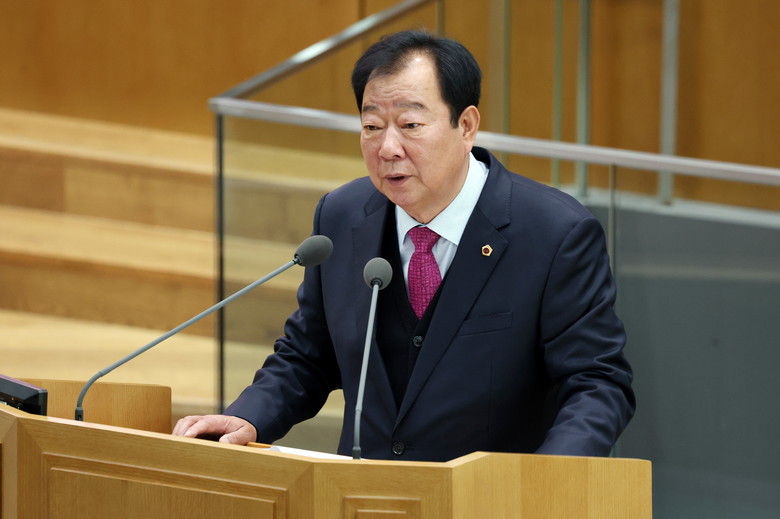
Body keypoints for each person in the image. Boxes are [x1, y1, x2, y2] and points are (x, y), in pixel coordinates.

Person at [173, 30, 635, 461]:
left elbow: (597, 382)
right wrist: (249, 416)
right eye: (372, 126)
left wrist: (548, 481)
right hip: (362, 495)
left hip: (492, 499)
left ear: (466, 125)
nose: (388, 148)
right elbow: (309, 355)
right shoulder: (341, 216)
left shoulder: (554, 233)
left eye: (410, 124)